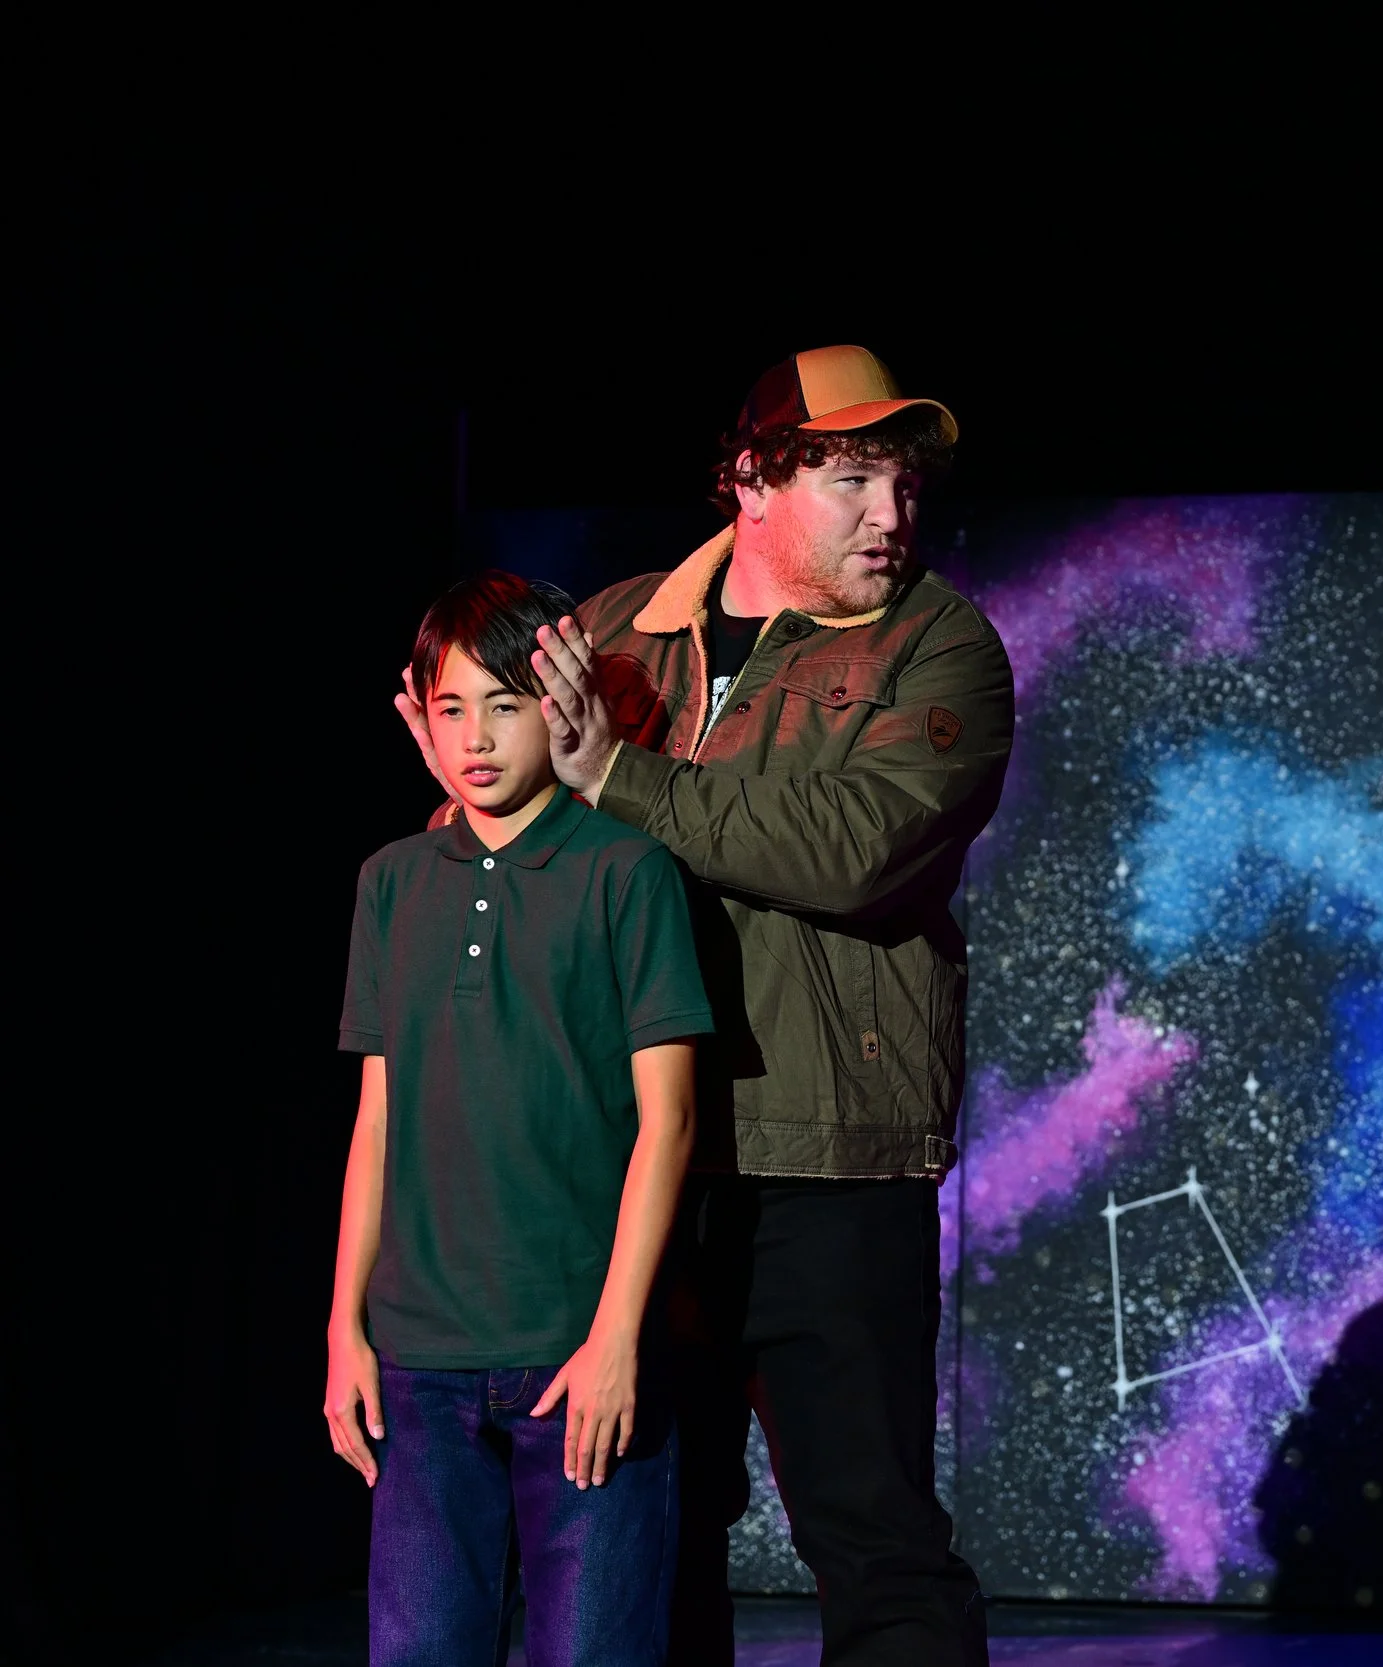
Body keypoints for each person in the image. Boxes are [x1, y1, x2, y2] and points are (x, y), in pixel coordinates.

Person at [404, 346, 1012, 1666]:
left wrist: (615, 777)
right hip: (622, 1175)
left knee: (876, 1539)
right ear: (750, 476)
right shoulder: (610, 630)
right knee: (636, 1538)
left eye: (903, 481)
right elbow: (496, 842)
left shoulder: (940, 644)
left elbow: (853, 846)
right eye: (853, 476)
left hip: (825, 1162)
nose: (892, 514)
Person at [328, 572, 714, 1667]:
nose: (478, 737)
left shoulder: (628, 872)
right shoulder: (391, 882)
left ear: (559, 702)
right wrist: (343, 1325)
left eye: (506, 702)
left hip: (576, 1354)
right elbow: (377, 1121)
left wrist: (616, 1336)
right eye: (452, 708)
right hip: (420, 1358)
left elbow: (669, 1123)